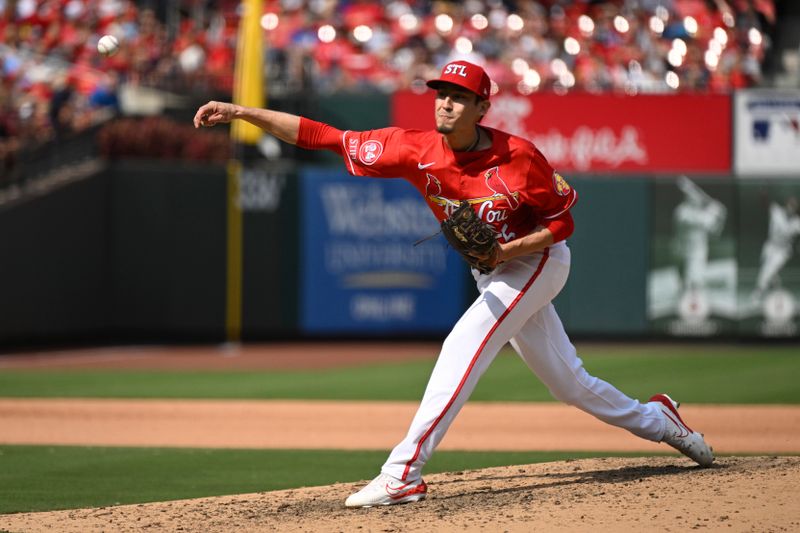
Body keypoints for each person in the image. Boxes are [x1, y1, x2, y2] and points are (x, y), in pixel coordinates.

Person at [193, 60, 714, 508]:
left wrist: (508, 250)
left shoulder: (520, 157)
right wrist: (242, 112)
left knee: (463, 344)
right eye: (441, 93)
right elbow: (323, 136)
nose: (444, 103)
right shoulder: (413, 148)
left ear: (482, 108)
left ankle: (402, 475)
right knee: (569, 384)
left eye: (458, 97)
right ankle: (658, 419)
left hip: (537, 261)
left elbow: (563, 223)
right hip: (492, 270)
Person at [754, 197, 800, 298]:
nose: (791, 209)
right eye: (790, 205)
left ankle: (758, 292)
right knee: (768, 270)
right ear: (786, 205)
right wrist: (763, 192)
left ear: (796, 210)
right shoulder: (776, 211)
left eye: (794, 207)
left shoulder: (797, 222)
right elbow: (763, 202)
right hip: (770, 245)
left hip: (783, 251)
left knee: (768, 269)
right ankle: (778, 289)